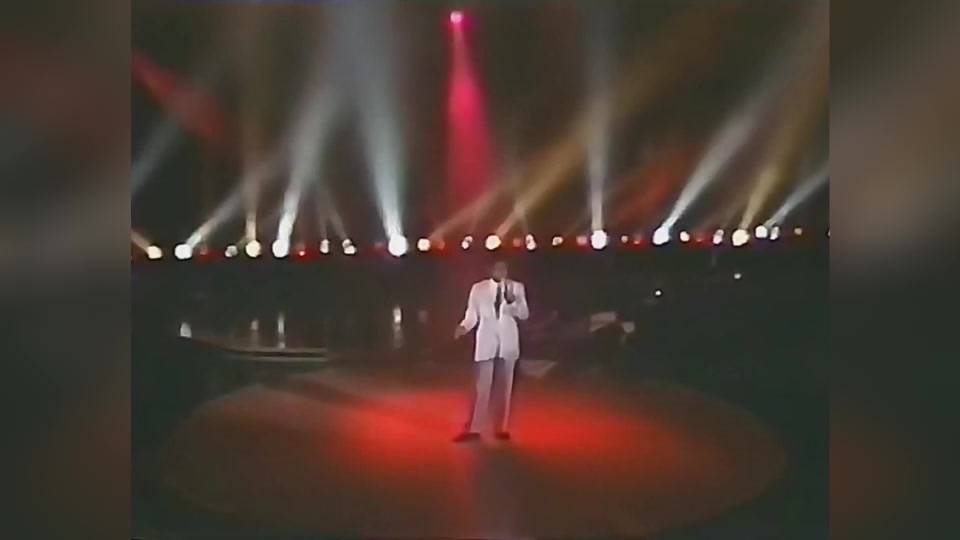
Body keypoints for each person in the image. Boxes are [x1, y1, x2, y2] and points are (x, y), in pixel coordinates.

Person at [453, 260, 529, 442]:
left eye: (504, 268)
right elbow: (472, 314)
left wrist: (512, 303)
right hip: (487, 342)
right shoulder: (478, 289)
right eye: (497, 268)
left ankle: (501, 428)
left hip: (508, 343)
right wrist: (464, 327)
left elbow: (524, 314)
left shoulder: (516, 288)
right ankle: (475, 429)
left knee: (505, 387)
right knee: (482, 387)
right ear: (490, 269)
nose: (501, 271)